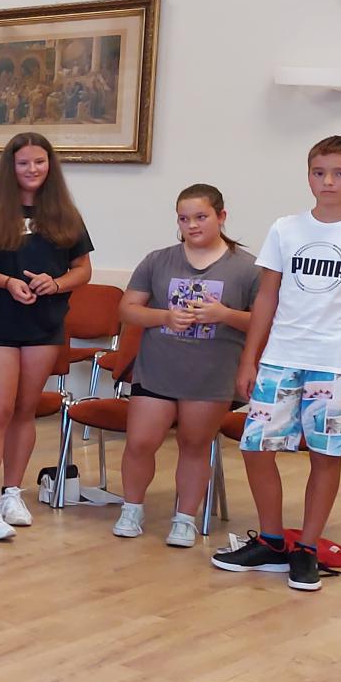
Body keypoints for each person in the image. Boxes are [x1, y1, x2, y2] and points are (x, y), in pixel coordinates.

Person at [213, 137, 341, 592]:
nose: (328, 181)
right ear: (308, 176)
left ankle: (307, 549)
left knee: (325, 455)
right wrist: (250, 358)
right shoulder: (285, 229)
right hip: (280, 358)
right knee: (256, 447)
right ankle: (272, 541)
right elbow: (267, 297)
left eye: (340, 173)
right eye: (319, 172)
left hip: (338, 364)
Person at [0, 132, 94, 541]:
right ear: (10, 167)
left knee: (25, 410)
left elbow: (83, 269)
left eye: (39, 162)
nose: (32, 169)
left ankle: (12, 492)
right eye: (24, 162)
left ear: (50, 165)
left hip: (44, 324)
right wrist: (5, 281)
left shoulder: (64, 213)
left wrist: (57, 283)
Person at [115, 185, 260, 547]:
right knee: (140, 441)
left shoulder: (247, 268)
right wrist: (164, 316)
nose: (192, 225)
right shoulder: (158, 260)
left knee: (195, 444)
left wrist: (224, 314)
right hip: (158, 369)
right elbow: (128, 309)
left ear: (221, 217)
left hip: (210, 375)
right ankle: (131, 509)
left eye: (201, 217)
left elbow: (265, 322)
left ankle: (184, 519)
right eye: (184, 218)